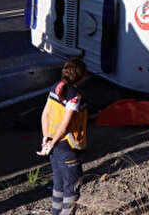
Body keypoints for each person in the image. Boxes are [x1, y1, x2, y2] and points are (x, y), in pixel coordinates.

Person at [38, 58, 88, 215]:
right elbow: (65, 125)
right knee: (72, 189)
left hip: (53, 145)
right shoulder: (75, 96)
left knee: (58, 186)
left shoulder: (56, 87)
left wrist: (47, 139)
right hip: (67, 146)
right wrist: (52, 144)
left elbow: (45, 115)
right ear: (81, 76)